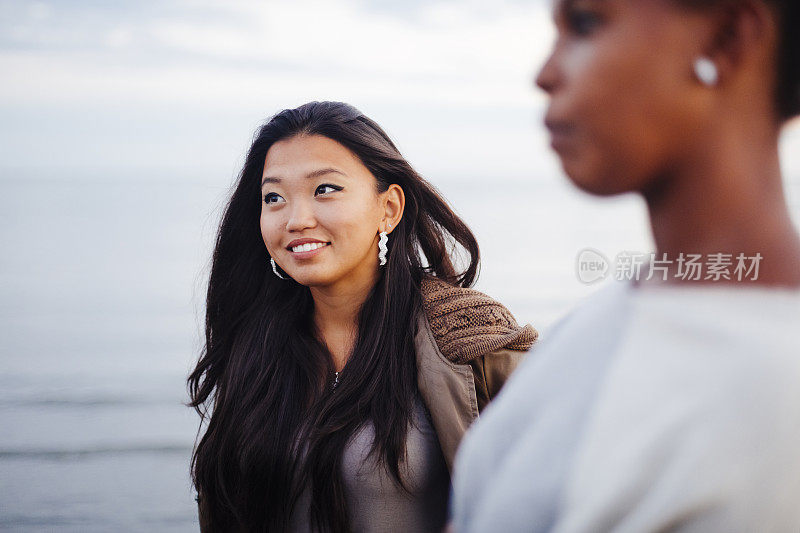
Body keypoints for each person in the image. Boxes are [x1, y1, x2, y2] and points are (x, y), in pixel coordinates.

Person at [451, 0, 800, 531]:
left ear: (727, 39)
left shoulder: (772, 391)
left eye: (585, 24)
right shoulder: (608, 318)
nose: (544, 74)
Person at [187, 101, 537, 532]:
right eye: (273, 197)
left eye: (325, 189)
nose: (296, 219)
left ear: (388, 208)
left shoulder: (469, 342)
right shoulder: (255, 345)